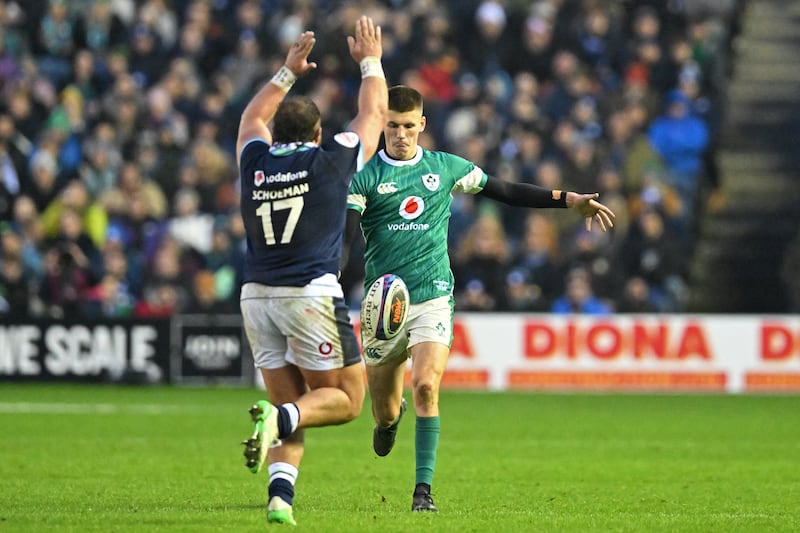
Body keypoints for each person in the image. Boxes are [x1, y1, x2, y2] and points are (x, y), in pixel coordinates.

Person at [343, 85, 616, 512]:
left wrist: (567, 200)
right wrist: (329, 284)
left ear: (423, 125)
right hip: (383, 306)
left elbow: (504, 190)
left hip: (432, 297)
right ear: (383, 126)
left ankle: (423, 493)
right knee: (384, 410)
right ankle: (388, 422)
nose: (400, 134)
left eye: (409, 126)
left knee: (427, 387)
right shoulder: (365, 178)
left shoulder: (445, 168)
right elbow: (343, 240)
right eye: (392, 126)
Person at [236, 17, 387, 526]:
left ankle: (280, 500)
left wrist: (285, 72)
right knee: (346, 400)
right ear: (319, 133)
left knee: (296, 405)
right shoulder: (331, 160)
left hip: (256, 295)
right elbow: (374, 113)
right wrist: (371, 60)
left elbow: (249, 120)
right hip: (309, 295)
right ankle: (277, 419)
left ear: (277, 133)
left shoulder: (255, 160)